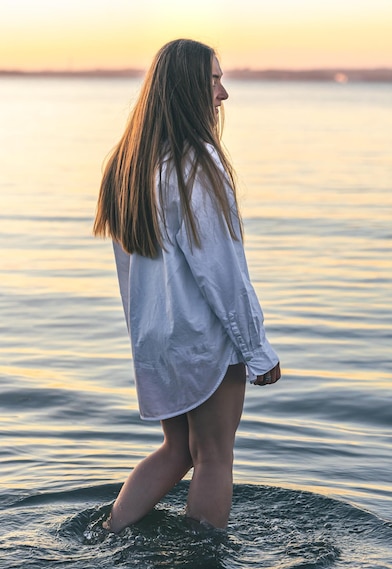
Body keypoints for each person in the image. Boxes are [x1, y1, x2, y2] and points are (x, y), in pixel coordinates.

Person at [93, 39, 281, 533]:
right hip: (202, 339)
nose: (224, 95)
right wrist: (257, 349)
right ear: (187, 89)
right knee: (215, 456)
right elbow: (222, 273)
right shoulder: (197, 164)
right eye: (214, 81)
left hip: (155, 338)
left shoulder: (127, 165)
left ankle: (109, 534)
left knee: (178, 451)